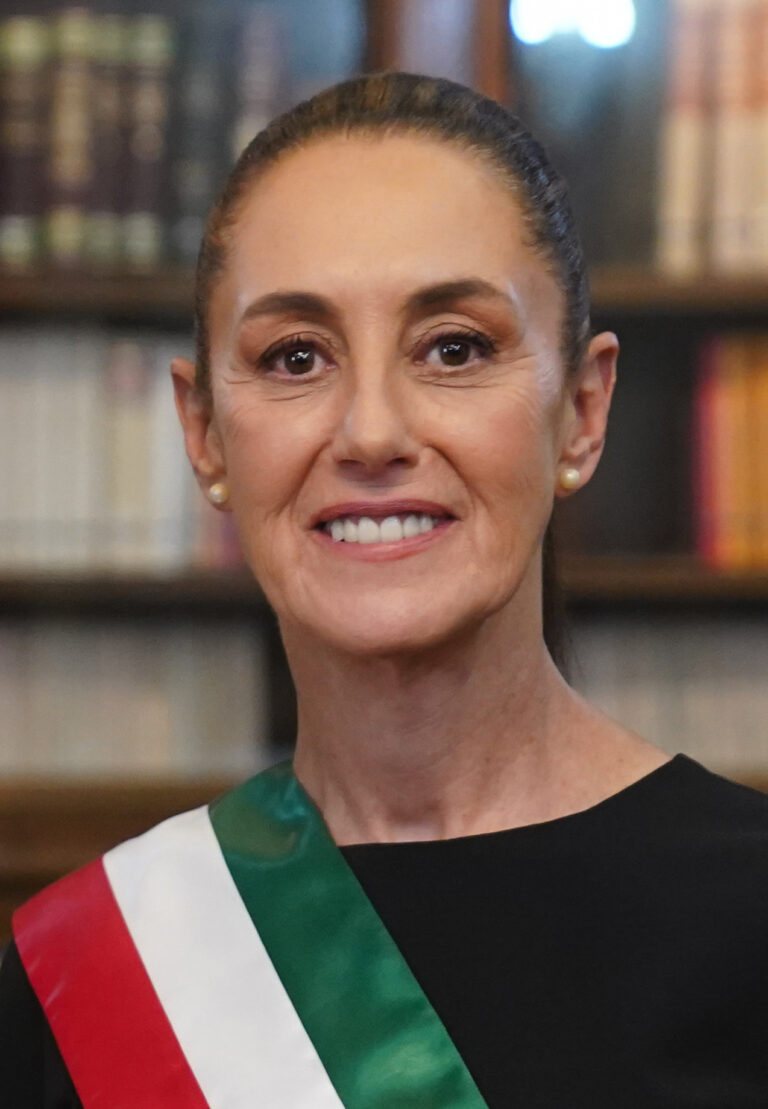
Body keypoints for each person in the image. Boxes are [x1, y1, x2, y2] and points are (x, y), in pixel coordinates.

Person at [1, 71, 768, 1109]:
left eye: (454, 347)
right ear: (205, 434)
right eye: (295, 357)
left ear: (583, 412)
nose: (371, 432)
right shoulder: (79, 979)